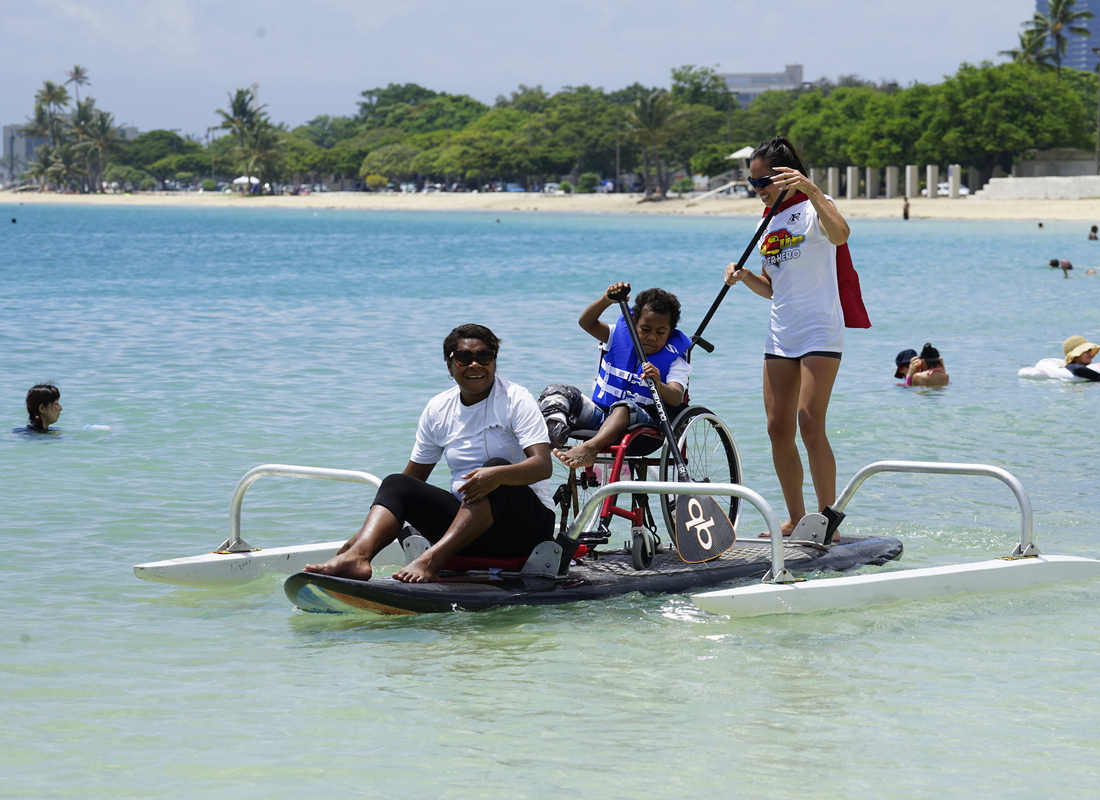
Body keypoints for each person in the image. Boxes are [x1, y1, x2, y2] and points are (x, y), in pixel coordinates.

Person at [304, 324, 555, 583]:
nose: (475, 365)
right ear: (450, 366)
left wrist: (497, 475)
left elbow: (542, 466)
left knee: (496, 468)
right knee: (396, 482)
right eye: (464, 358)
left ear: (494, 362)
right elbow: (411, 482)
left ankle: (430, 561)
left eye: (484, 356)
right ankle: (357, 558)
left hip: (524, 530)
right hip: (467, 531)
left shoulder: (516, 398)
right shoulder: (438, 408)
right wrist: (360, 538)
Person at [723, 136, 858, 539]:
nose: (757, 190)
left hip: (820, 328)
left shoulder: (816, 207)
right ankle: (796, 518)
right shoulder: (765, 223)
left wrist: (812, 189)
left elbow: (841, 235)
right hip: (781, 332)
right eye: (752, 183)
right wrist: (746, 277)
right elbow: (773, 287)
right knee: (777, 427)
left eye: (762, 182)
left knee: (809, 421)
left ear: (785, 177)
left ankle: (826, 521)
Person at [539, 283, 691, 467]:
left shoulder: (676, 361)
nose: (652, 337)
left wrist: (659, 383)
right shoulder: (616, 335)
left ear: (670, 332)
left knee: (624, 407)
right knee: (557, 392)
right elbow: (585, 322)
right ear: (634, 324)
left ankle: (590, 448)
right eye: (645, 329)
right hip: (600, 417)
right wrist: (606, 300)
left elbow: (676, 397)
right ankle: (553, 435)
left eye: (660, 332)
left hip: (642, 430)